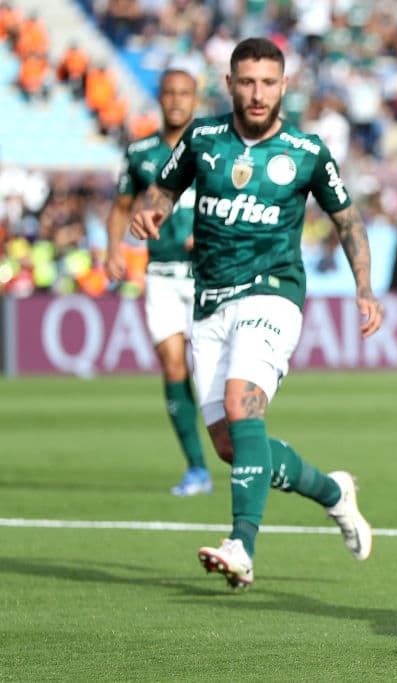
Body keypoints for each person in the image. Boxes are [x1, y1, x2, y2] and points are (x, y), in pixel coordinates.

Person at [130, 37, 384, 590]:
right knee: (231, 444)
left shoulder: (306, 150)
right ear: (229, 84)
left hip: (274, 293)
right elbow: (162, 192)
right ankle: (333, 491)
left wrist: (364, 286)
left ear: (284, 85)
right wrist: (149, 214)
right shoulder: (203, 139)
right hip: (210, 303)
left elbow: (348, 221)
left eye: (268, 82)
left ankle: (240, 545)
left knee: (246, 403)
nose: (257, 93)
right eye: (246, 82)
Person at [106, 68, 212, 497]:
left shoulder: (213, 147)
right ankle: (197, 468)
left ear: (196, 98)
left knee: (210, 374)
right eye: (169, 93)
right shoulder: (141, 152)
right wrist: (114, 247)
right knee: (173, 365)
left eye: (184, 93)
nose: (176, 101)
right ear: (160, 97)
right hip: (163, 275)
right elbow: (120, 206)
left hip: (208, 275)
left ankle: (238, 452)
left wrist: (208, 230)